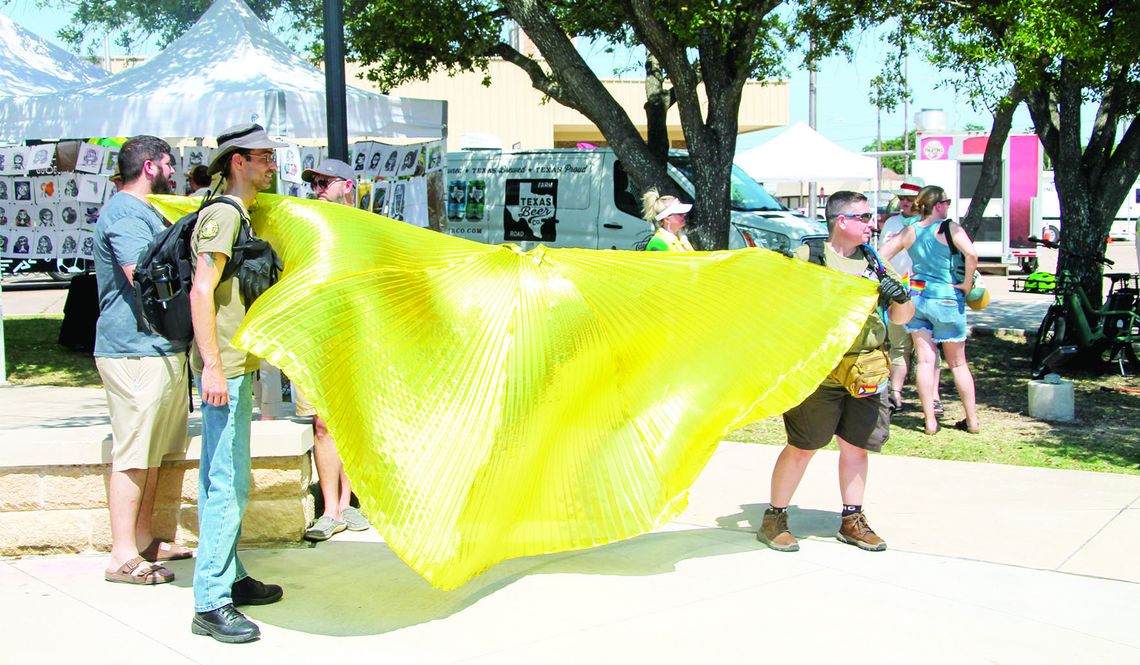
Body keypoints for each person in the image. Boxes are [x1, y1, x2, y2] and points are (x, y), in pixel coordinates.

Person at [759, 191, 914, 553]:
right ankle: (775, 518)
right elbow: (781, 306)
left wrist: (901, 298)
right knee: (802, 447)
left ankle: (852, 520)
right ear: (841, 221)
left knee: (856, 448)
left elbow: (902, 320)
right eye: (863, 217)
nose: (870, 224)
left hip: (865, 371)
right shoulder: (809, 257)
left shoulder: (875, 263)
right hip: (819, 372)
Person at [189, 123, 286, 644]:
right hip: (223, 366)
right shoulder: (224, 214)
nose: (271, 164)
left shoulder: (238, 213)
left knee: (218, 477)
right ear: (237, 163)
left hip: (234, 363)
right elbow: (201, 290)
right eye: (264, 157)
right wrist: (211, 366)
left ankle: (227, 574)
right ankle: (210, 601)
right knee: (230, 480)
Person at [93, 135, 192, 586]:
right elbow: (144, 276)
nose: (175, 171)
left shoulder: (148, 210)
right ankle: (121, 556)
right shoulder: (125, 212)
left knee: (153, 454)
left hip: (160, 349)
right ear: (151, 166)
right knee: (134, 454)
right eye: (169, 164)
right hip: (133, 351)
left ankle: (145, 540)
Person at [295, 158, 371, 541]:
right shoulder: (306, 225)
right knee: (322, 422)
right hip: (316, 335)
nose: (318, 188)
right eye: (314, 183)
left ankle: (349, 501)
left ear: (347, 185)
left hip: (354, 335)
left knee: (351, 419)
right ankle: (330, 509)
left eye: (326, 181)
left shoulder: (363, 226)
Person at [880, 185, 981, 435]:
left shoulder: (910, 231)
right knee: (958, 363)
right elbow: (972, 254)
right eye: (946, 201)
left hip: (918, 297)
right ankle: (972, 421)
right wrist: (966, 284)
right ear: (938, 205)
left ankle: (929, 422)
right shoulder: (949, 227)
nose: (948, 206)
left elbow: (880, 256)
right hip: (947, 297)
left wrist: (895, 283)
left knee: (925, 360)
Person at [877, 176, 942, 413]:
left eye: (909, 197)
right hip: (898, 291)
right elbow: (882, 255)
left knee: (929, 350)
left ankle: (933, 398)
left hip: (925, 291)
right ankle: (896, 395)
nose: (904, 202)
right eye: (901, 197)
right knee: (898, 346)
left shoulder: (929, 225)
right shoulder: (892, 223)